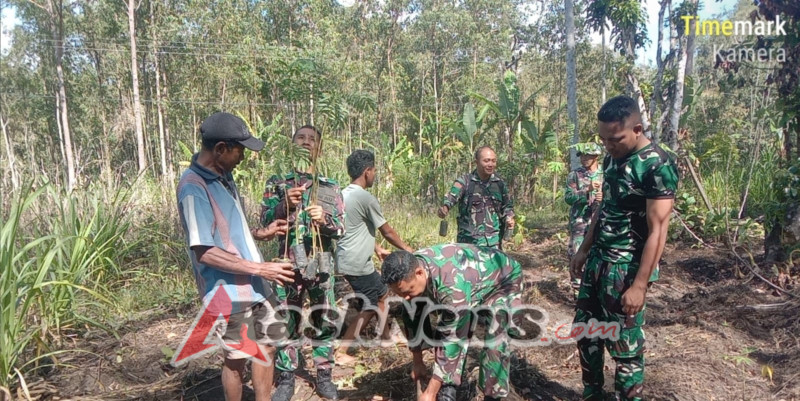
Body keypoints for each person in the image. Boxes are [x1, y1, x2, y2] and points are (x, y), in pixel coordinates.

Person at [176, 112, 295, 401]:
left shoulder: (223, 175)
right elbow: (204, 251)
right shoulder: (194, 188)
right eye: (239, 150)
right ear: (220, 149)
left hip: (255, 284)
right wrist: (261, 268)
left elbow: (227, 229)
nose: (243, 156)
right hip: (228, 292)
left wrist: (260, 233)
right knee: (237, 358)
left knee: (266, 347)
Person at [569, 96, 679, 401]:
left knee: (625, 347)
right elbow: (604, 207)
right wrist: (584, 248)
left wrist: (640, 285)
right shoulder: (611, 158)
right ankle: (592, 393)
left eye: (615, 139)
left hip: (626, 268)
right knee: (586, 332)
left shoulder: (657, 164)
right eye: (603, 139)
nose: (607, 145)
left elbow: (659, 230)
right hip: (598, 262)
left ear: (638, 129)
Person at [260, 125, 345, 401]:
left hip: (320, 264)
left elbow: (341, 229)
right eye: (301, 138)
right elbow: (264, 223)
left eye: (312, 139)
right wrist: (284, 204)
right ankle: (286, 376)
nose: (306, 143)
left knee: (323, 317)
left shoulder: (330, 186)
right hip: (286, 263)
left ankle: (324, 375)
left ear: (319, 147)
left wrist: (326, 220)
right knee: (287, 317)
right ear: (292, 144)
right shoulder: (278, 183)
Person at [382, 244, 522, 401]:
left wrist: (430, 393)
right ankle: (449, 386)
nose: (405, 297)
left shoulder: (452, 289)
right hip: (469, 281)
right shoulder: (410, 268)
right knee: (417, 307)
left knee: (495, 343)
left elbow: (453, 340)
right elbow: (413, 317)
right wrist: (418, 362)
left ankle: (493, 395)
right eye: (400, 294)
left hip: (503, 280)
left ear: (420, 273)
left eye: (408, 291)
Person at [333, 150, 414, 366]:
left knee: (380, 293)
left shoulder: (343, 194)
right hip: (357, 262)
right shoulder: (365, 197)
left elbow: (353, 227)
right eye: (374, 170)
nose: (374, 174)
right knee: (370, 305)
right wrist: (407, 249)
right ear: (367, 171)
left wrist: (376, 247)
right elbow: (387, 230)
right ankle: (342, 351)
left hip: (349, 258)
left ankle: (386, 337)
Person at [437, 146, 514, 248]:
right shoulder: (465, 182)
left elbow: (507, 207)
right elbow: (450, 198)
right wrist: (445, 209)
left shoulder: (499, 184)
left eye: (493, 161)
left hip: (494, 243)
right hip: (469, 244)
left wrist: (509, 218)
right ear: (476, 162)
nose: (490, 164)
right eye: (486, 161)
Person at [564, 142, 604, 298]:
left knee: (600, 252)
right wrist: (586, 191)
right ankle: (577, 289)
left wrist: (603, 197)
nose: (584, 159)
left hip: (600, 221)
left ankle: (597, 287)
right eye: (582, 156)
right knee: (576, 251)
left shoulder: (606, 174)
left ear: (596, 157)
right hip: (580, 221)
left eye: (587, 156)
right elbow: (568, 198)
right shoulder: (575, 175)